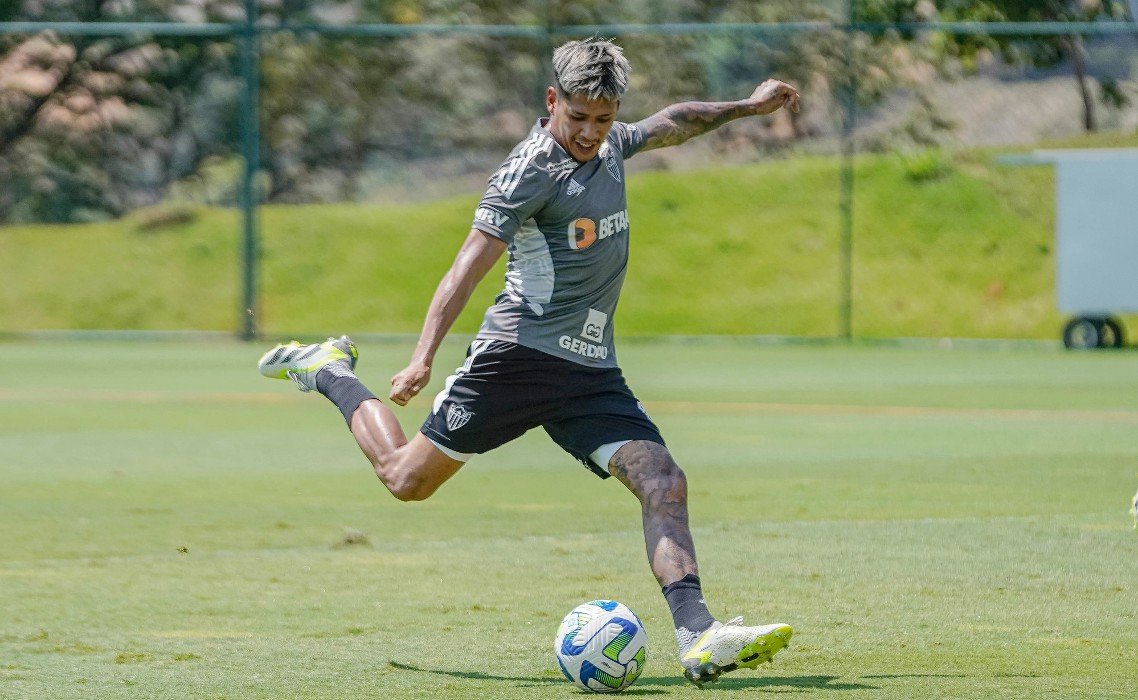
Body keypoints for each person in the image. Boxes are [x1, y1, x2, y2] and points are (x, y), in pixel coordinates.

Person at [259, 38, 800, 687]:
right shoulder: (528, 171)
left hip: (590, 373)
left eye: (604, 119)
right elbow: (466, 266)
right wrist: (422, 357)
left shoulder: (614, 146)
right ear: (552, 101)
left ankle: (698, 634)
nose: (591, 133)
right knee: (405, 479)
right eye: (579, 118)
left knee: (663, 480)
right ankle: (329, 371)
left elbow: (677, 121)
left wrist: (749, 104)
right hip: (515, 359)